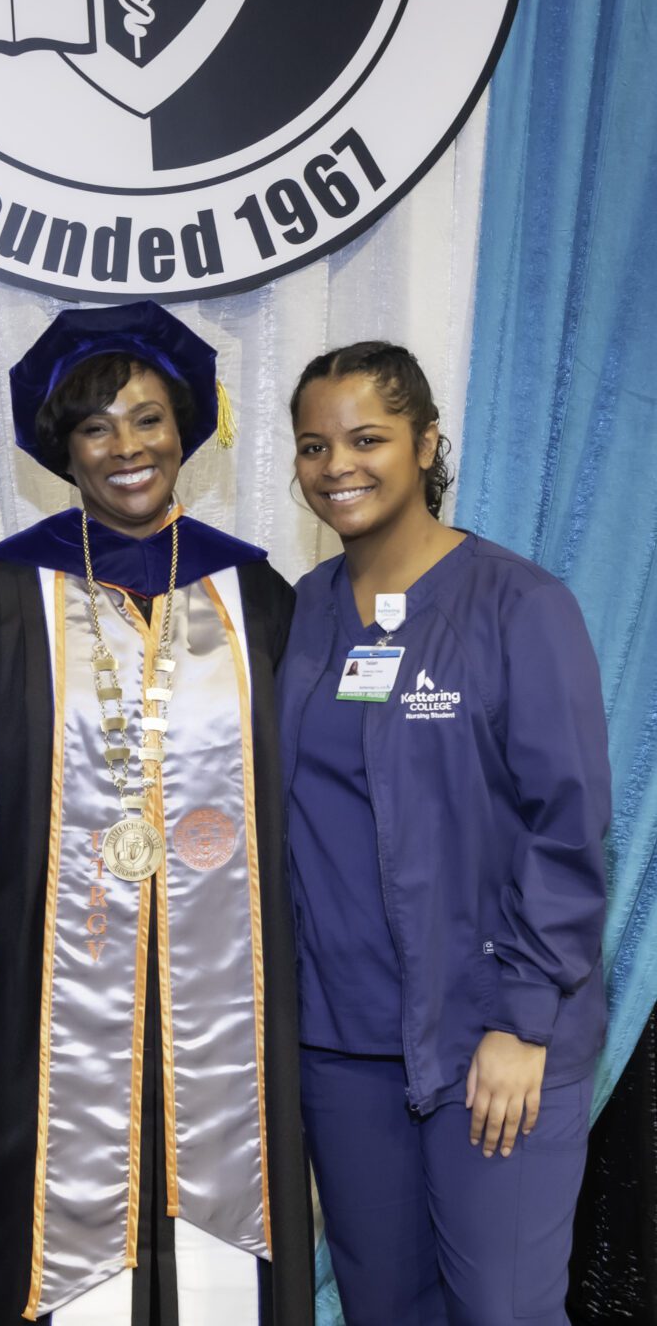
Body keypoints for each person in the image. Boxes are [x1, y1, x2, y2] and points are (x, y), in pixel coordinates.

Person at [0, 302, 314, 1324]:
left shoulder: (253, 593)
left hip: (233, 976)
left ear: (185, 429)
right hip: (55, 967)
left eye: (148, 418)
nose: (126, 447)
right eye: (95, 427)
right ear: (63, 449)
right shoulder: (4, 591)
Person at [278, 343, 610, 1325]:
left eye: (367, 438)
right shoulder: (300, 614)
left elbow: (566, 825)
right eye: (313, 445)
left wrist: (523, 1018)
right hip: (341, 1047)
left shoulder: (520, 604)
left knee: (501, 1310)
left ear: (426, 444)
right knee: (383, 1309)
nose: (337, 464)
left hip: (491, 1036)